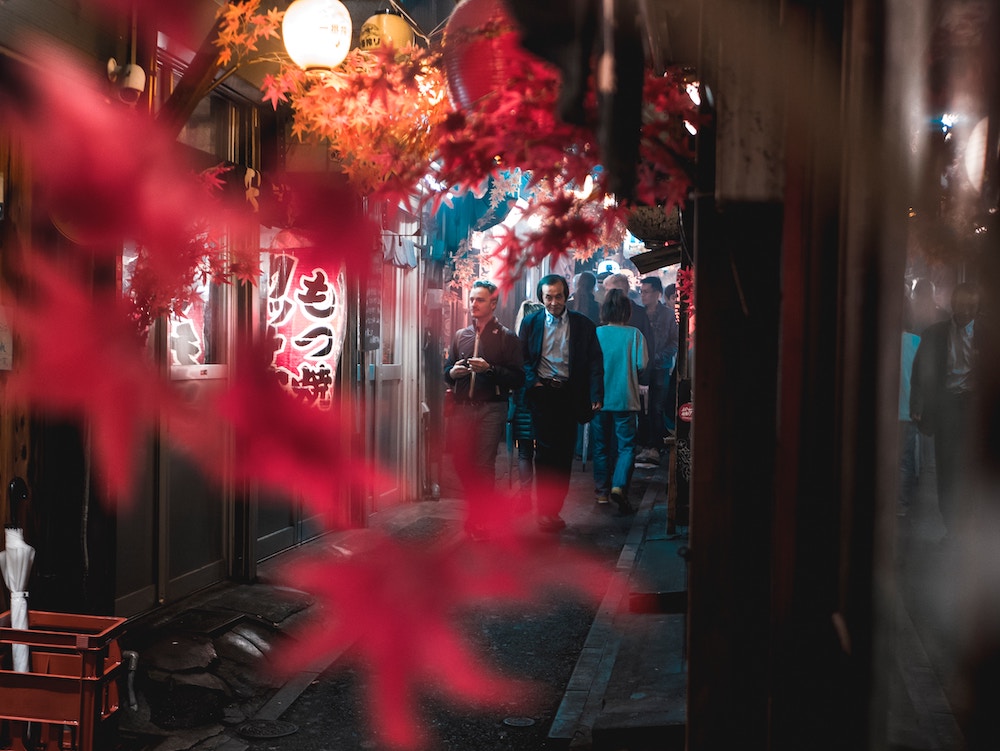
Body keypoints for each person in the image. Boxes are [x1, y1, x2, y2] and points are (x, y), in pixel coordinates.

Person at [520, 274, 604, 532]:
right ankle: (544, 510)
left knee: (564, 454)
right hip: (543, 395)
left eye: (558, 296)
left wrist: (595, 394)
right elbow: (521, 356)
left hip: (570, 395)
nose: (554, 302)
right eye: (548, 297)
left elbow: (595, 362)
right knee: (544, 453)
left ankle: (554, 509)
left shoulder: (583, 325)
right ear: (541, 298)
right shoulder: (531, 323)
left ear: (567, 295)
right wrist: (532, 380)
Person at [444, 280, 524, 537]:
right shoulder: (461, 335)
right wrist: (452, 373)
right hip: (463, 407)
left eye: (479, 300)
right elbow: (446, 370)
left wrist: (489, 369)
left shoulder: (507, 337)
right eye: (471, 300)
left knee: (483, 464)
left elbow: (518, 377)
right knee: (461, 462)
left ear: (493, 303)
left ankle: (479, 516)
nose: (473, 305)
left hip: (492, 407)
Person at [910, 282, 980, 535]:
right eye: (962, 304)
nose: (966, 310)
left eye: (971, 306)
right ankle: (951, 526)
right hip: (947, 407)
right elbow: (920, 371)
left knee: (973, 466)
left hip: (975, 409)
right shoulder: (935, 334)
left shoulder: (988, 335)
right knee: (947, 467)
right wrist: (918, 404)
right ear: (953, 304)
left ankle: (969, 524)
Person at [592, 288, 648, 514]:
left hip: (600, 401)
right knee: (626, 447)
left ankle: (602, 493)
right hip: (625, 399)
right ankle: (619, 485)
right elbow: (641, 365)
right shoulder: (635, 335)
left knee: (601, 446)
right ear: (627, 311)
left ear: (604, 310)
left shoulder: (596, 334)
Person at [636, 276, 679, 463]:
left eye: (646, 292)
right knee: (641, 408)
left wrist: (658, 356)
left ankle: (655, 445)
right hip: (642, 368)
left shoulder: (668, 315)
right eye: (642, 291)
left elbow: (675, 341)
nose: (643, 295)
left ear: (657, 293)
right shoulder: (639, 314)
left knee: (657, 407)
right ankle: (646, 444)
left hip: (661, 368)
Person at [510, 299, 545, 512]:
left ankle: (524, 497)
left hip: (522, 403)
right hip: (542, 404)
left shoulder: (515, 345)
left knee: (524, 453)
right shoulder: (546, 345)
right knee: (543, 453)